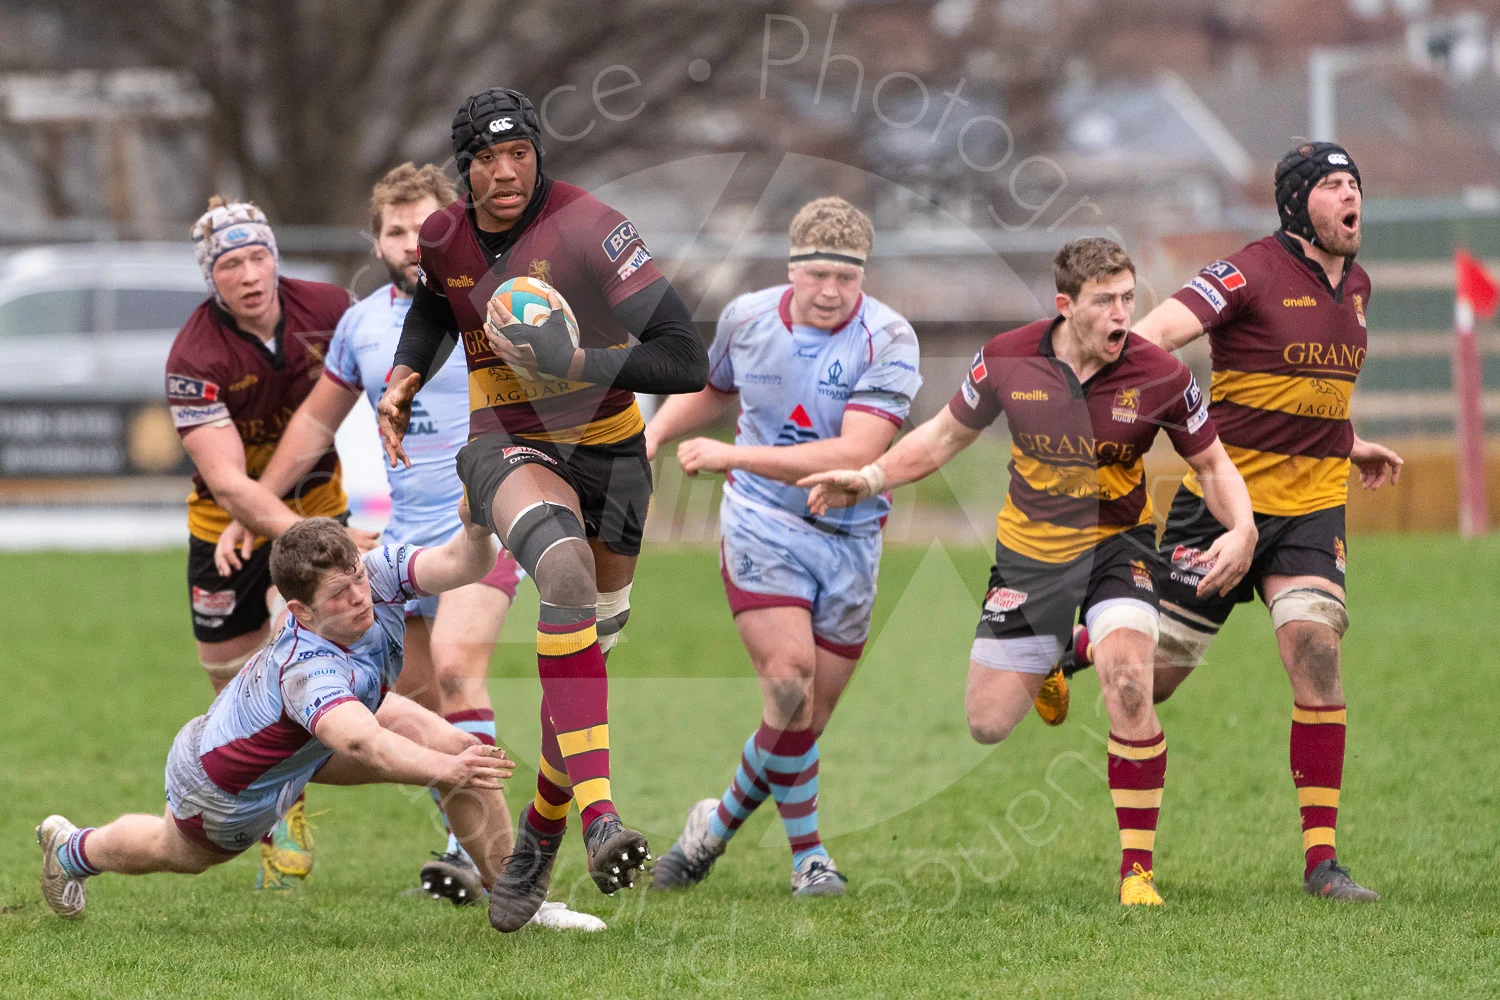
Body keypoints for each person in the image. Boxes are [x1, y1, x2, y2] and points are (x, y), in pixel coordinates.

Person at [209, 165, 607, 929]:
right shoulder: (362, 325)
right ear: (378, 240)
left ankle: (507, 861)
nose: (410, 242)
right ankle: (479, 847)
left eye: (423, 227)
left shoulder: (495, 303)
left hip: (483, 522)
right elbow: (314, 427)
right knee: (422, 706)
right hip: (402, 542)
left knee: (460, 671)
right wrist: (255, 503)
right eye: (395, 230)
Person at [802, 238, 1258, 905]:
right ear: (1066, 305)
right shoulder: (1007, 359)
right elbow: (941, 438)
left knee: (1129, 680)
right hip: (1031, 554)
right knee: (986, 721)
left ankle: (1137, 873)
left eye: (1129, 298)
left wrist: (1243, 528)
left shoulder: (1160, 374)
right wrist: (869, 478)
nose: (1121, 314)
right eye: (1105, 301)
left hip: (1118, 547)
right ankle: (1051, 658)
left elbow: (1213, 465)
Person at [379, 87, 708, 931]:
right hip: (507, 443)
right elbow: (432, 306)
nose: (506, 171)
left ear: (536, 151)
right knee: (559, 572)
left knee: (586, 653)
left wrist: (580, 358)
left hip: (614, 457)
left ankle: (537, 838)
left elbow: (686, 358)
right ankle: (601, 817)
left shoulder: (591, 228)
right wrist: (406, 372)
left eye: (518, 152)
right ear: (466, 169)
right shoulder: (446, 237)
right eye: (487, 159)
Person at [1131, 142, 1403, 902]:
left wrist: (1350, 442)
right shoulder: (1244, 272)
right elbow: (1149, 340)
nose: (1352, 197)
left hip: (1312, 508)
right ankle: (1073, 648)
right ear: (1296, 205)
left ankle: (1323, 864)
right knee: (1157, 673)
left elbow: (1314, 392)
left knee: (1316, 649)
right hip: (1224, 507)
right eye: (1335, 185)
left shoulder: (1360, 287)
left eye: (1357, 183)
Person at [37, 515, 514, 923]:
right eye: (338, 592)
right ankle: (72, 850)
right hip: (226, 786)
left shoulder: (374, 573)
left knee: (456, 749)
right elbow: (360, 743)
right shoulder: (307, 670)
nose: (358, 596)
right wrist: (443, 770)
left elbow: (457, 564)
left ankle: (519, 900)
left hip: (312, 735)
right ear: (300, 612)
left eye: (356, 578)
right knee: (175, 851)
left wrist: (475, 529)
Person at [643, 197, 921, 896]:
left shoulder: (889, 338)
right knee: (789, 680)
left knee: (802, 722)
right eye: (818, 275)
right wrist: (651, 436)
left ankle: (711, 830)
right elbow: (712, 390)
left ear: (864, 279)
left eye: (846, 279)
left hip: (853, 537)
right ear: (792, 269)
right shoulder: (746, 318)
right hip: (762, 524)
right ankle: (810, 859)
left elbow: (859, 449)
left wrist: (736, 456)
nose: (831, 292)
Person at [164, 197, 362, 890]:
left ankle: (290, 803)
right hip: (225, 531)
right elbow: (227, 483)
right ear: (210, 278)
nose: (249, 275)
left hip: (318, 510)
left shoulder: (332, 308)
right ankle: (282, 795)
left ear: (275, 257)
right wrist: (258, 516)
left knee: (314, 649)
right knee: (229, 685)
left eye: (258, 257)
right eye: (230, 264)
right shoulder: (195, 355)